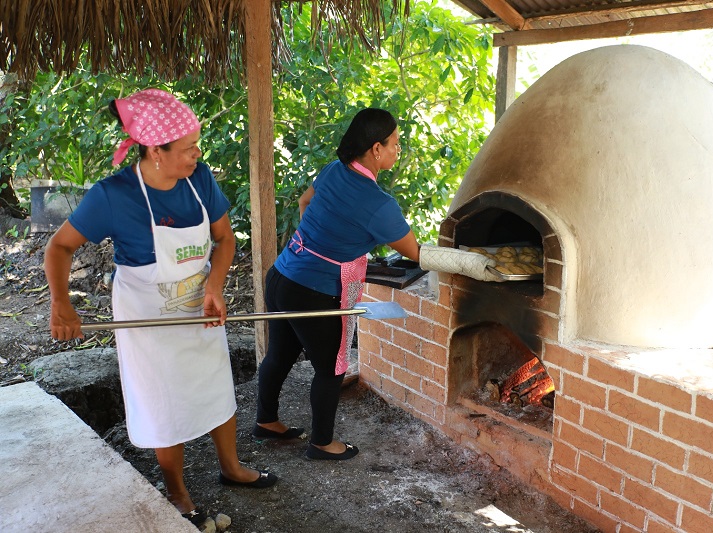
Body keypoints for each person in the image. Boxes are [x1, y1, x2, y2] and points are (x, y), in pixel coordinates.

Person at [44, 88, 276, 528]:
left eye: (196, 146)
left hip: (200, 306)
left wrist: (215, 285)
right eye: (188, 148)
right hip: (147, 316)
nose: (197, 155)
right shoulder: (114, 195)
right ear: (155, 151)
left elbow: (224, 240)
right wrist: (61, 303)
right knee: (163, 402)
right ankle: (179, 494)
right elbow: (60, 247)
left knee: (215, 386)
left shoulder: (200, 179)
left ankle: (231, 468)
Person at [253, 108, 498, 461]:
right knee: (332, 367)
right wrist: (469, 261)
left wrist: (320, 242)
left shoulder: (335, 170)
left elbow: (306, 203)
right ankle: (322, 443)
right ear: (376, 149)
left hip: (283, 274)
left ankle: (266, 421)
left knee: (280, 353)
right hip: (315, 291)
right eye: (395, 143)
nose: (399, 149)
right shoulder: (379, 205)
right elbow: (414, 251)